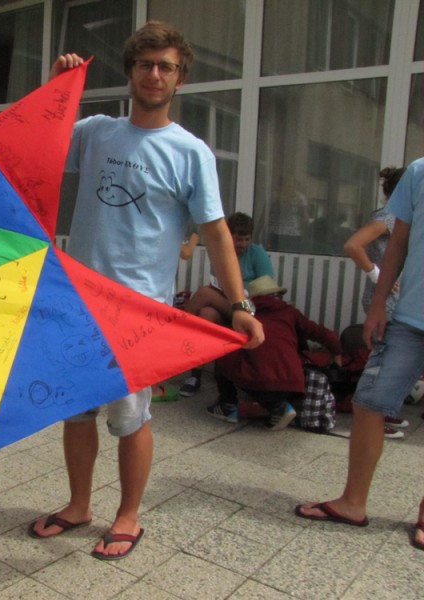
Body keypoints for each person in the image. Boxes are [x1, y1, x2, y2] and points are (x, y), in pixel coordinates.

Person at [26, 21, 264, 561]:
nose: (154, 74)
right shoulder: (95, 132)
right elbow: (39, 146)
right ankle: (78, 506)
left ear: (180, 78)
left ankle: (128, 515)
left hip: (138, 311)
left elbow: (216, 234)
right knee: (77, 412)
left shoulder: (190, 152)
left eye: (165, 67)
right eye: (144, 64)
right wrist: (56, 89)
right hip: (79, 302)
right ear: (131, 71)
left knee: (131, 417)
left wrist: (240, 304)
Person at [294, 157, 424, 553]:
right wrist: (378, 303)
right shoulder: (418, 172)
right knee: (368, 402)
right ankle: (352, 502)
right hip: (407, 317)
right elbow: (397, 244)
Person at [207, 275, 343, 429]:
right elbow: (324, 334)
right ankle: (277, 407)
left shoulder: (248, 316)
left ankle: (228, 405)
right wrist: (337, 354)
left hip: (260, 380)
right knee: (269, 377)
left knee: (226, 354)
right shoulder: (290, 313)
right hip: (293, 381)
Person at [344, 166, 409, 438]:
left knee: (388, 360)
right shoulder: (389, 217)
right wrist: (377, 275)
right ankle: (373, 419)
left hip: (390, 300)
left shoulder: (395, 216)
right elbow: (353, 245)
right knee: (383, 362)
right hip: (385, 302)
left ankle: (382, 413)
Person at [179, 212, 274, 396]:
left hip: (251, 309)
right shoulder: (224, 253)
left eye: (246, 239)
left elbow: (267, 287)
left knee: (205, 293)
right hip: (228, 305)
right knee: (206, 314)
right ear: (229, 236)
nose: (243, 244)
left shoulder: (257, 253)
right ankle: (195, 376)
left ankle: (177, 331)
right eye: (238, 239)